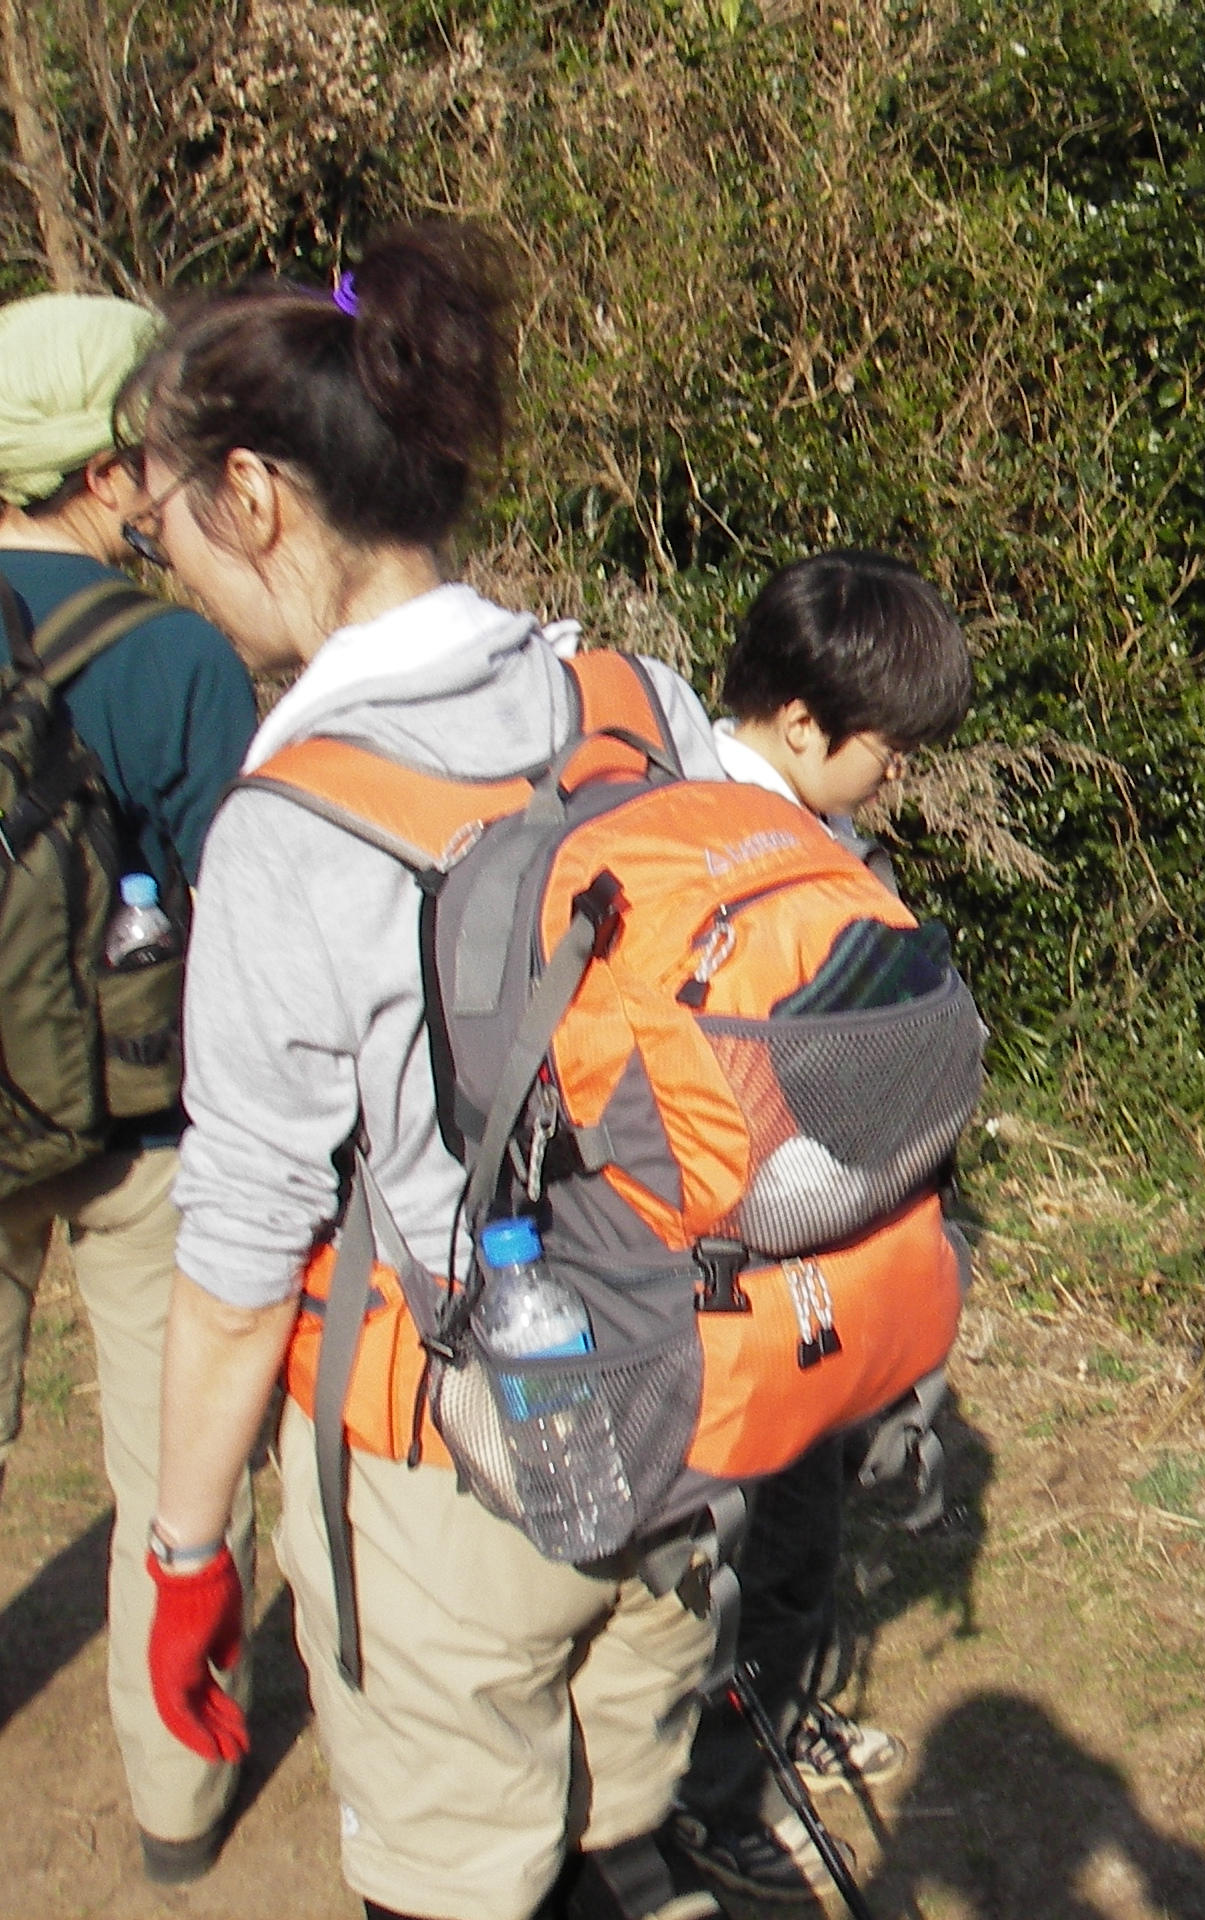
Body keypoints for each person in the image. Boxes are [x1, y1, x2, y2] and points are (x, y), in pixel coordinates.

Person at [132, 224, 731, 1920]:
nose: (173, 562)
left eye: (166, 522)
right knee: (620, 1850)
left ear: (255, 494)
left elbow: (241, 1265)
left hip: (458, 1459)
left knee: (462, 1887)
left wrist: (185, 1558)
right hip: (690, 1405)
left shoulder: (291, 825)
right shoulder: (633, 699)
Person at [0, 291, 260, 1885]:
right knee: (171, 1466)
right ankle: (177, 1802)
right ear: (106, 474)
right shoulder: (175, 655)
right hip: (140, 1127)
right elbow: (245, 912)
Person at [674, 549, 973, 1910]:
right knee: (751, 1557)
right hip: (744, 1287)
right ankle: (717, 1800)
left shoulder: (687, 815)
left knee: (772, 1547)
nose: (897, 775)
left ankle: (756, 1732)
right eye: (888, 749)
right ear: (802, 722)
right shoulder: (745, 858)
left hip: (746, 1283)